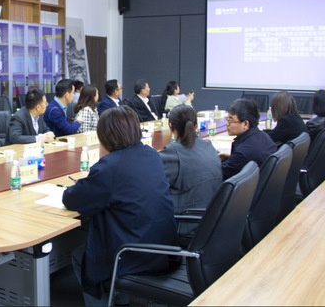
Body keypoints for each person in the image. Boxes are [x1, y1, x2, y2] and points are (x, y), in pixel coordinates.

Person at [63, 106, 177, 306]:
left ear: (106, 136)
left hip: (129, 253)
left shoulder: (110, 166)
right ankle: (121, 298)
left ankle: (113, 298)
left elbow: (72, 199)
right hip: (162, 245)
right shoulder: (151, 154)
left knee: (80, 256)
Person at [159, 104, 222, 241]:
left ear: (171, 127)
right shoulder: (208, 146)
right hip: (212, 223)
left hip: (186, 226)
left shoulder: (172, 153)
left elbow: (150, 183)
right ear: (196, 125)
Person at [220, 98, 277, 180]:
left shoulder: (242, 153)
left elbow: (220, 175)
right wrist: (231, 157)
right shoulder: (263, 136)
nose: (226, 123)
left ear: (245, 124)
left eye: (230, 120)